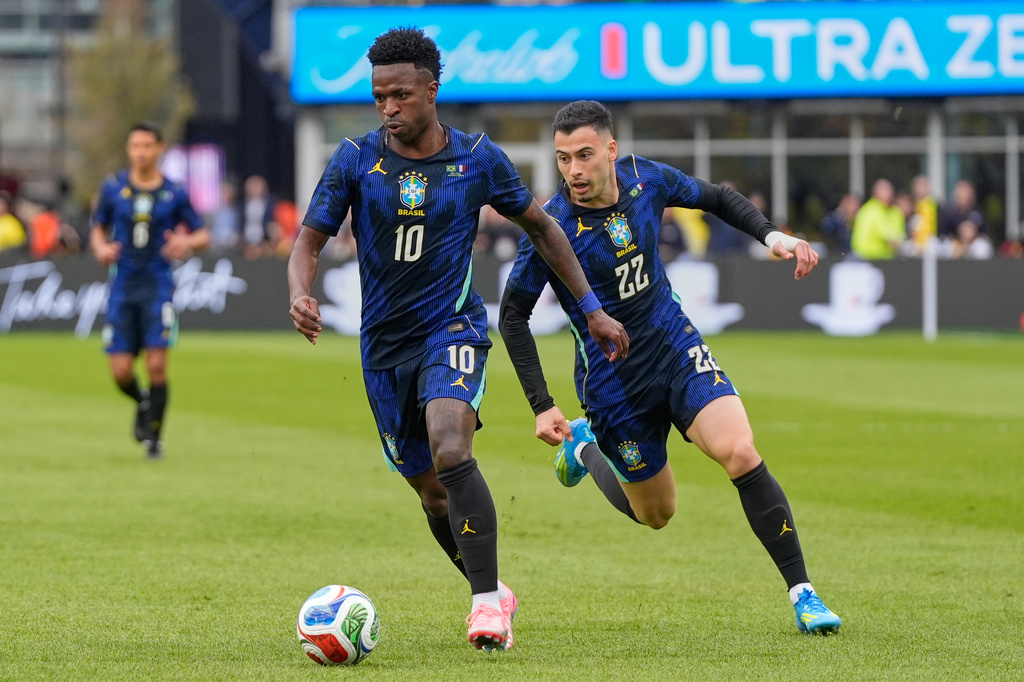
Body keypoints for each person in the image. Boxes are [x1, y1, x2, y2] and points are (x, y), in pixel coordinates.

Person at [287, 29, 629, 653]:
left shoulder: (477, 159)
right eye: (378, 96)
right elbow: (308, 240)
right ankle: (494, 587)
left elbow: (545, 231)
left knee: (451, 445)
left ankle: (483, 610)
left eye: (401, 95)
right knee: (432, 491)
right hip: (383, 351)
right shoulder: (355, 160)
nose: (388, 108)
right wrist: (299, 291)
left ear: (431, 91)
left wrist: (591, 308)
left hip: (453, 328)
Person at [498, 100, 841, 635]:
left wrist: (775, 237)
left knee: (740, 451)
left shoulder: (645, 178)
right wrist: (542, 405)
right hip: (613, 385)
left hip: (674, 346)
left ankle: (805, 595)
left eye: (585, 155)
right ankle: (583, 448)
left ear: (611, 150)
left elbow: (718, 198)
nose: (574, 171)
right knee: (656, 513)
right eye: (563, 159)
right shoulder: (550, 227)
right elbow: (512, 317)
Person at [90, 122, 209, 459]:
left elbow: (202, 235)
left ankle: (154, 437)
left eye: (147, 146)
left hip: (158, 287)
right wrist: (100, 248)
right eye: (135, 146)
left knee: (157, 365)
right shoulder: (113, 189)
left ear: (159, 149)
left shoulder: (174, 192)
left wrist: (186, 241)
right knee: (121, 371)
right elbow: (97, 230)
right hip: (123, 287)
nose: (141, 152)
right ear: (129, 150)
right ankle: (143, 402)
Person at [851, 178, 905, 259]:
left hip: (885, 258)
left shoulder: (895, 212)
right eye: (884, 190)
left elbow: (900, 236)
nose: (889, 193)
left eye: (890, 190)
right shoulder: (872, 209)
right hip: (865, 258)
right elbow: (889, 237)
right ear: (875, 192)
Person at [819, 192, 861, 257]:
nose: (852, 208)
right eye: (849, 204)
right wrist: (839, 215)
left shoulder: (860, 220)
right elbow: (825, 229)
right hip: (835, 255)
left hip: (855, 256)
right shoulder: (836, 218)